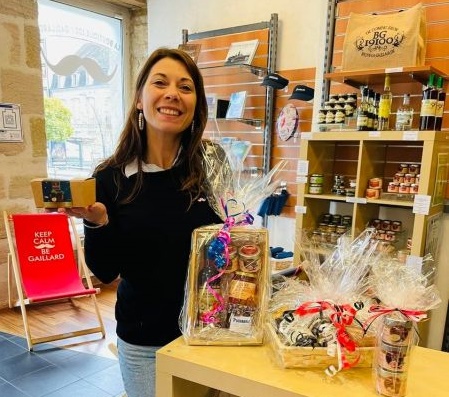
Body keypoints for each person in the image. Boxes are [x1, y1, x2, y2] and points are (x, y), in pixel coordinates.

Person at [62, 47, 223, 397]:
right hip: (145, 338)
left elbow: (229, 241)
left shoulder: (213, 166)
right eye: (160, 83)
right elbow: (104, 271)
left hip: (212, 333)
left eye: (185, 87)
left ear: (196, 103)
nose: (172, 94)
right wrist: (98, 222)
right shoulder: (110, 178)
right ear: (139, 98)